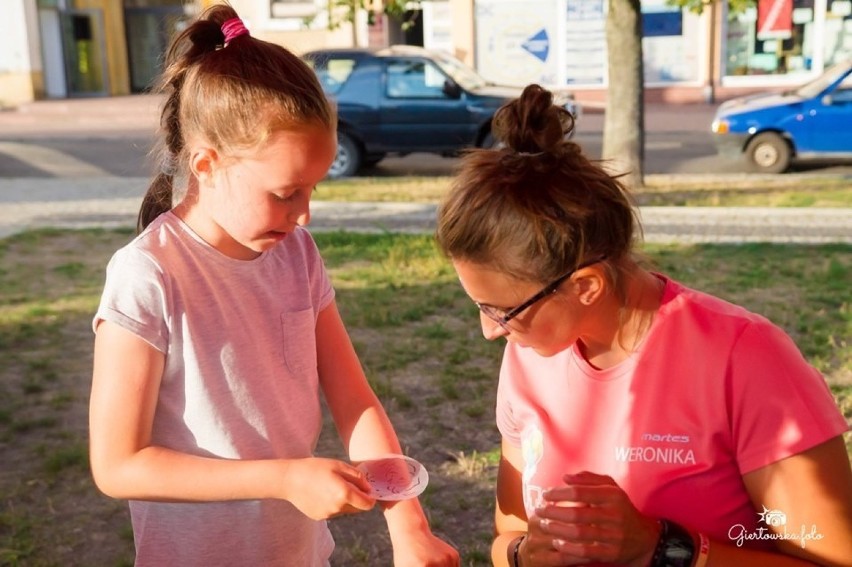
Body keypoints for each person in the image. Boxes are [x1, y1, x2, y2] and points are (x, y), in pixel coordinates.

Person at [88, 4, 459, 566]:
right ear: (207, 165)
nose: (304, 215)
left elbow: (355, 401)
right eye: (287, 193)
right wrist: (284, 477)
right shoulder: (148, 275)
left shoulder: (297, 255)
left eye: (313, 190)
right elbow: (118, 464)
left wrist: (408, 525)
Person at [435, 83, 852, 567]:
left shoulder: (745, 358)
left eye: (502, 311)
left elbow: (834, 558)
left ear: (587, 286)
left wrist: (664, 549)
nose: (490, 331)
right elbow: (510, 532)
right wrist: (526, 554)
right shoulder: (529, 352)